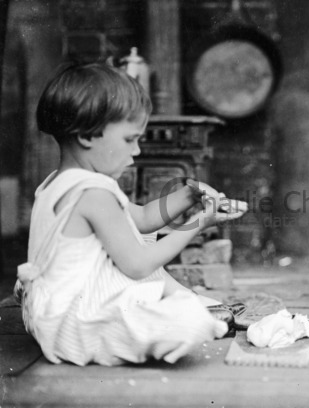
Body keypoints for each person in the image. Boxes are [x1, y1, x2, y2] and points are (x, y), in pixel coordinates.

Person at [13, 62, 247, 366]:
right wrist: (200, 222)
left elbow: (143, 219)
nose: (136, 151)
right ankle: (190, 310)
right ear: (87, 136)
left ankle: (185, 304)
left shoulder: (57, 183)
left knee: (140, 250)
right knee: (189, 320)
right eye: (129, 139)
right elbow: (138, 265)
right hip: (74, 326)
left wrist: (190, 194)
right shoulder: (93, 192)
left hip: (47, 311)